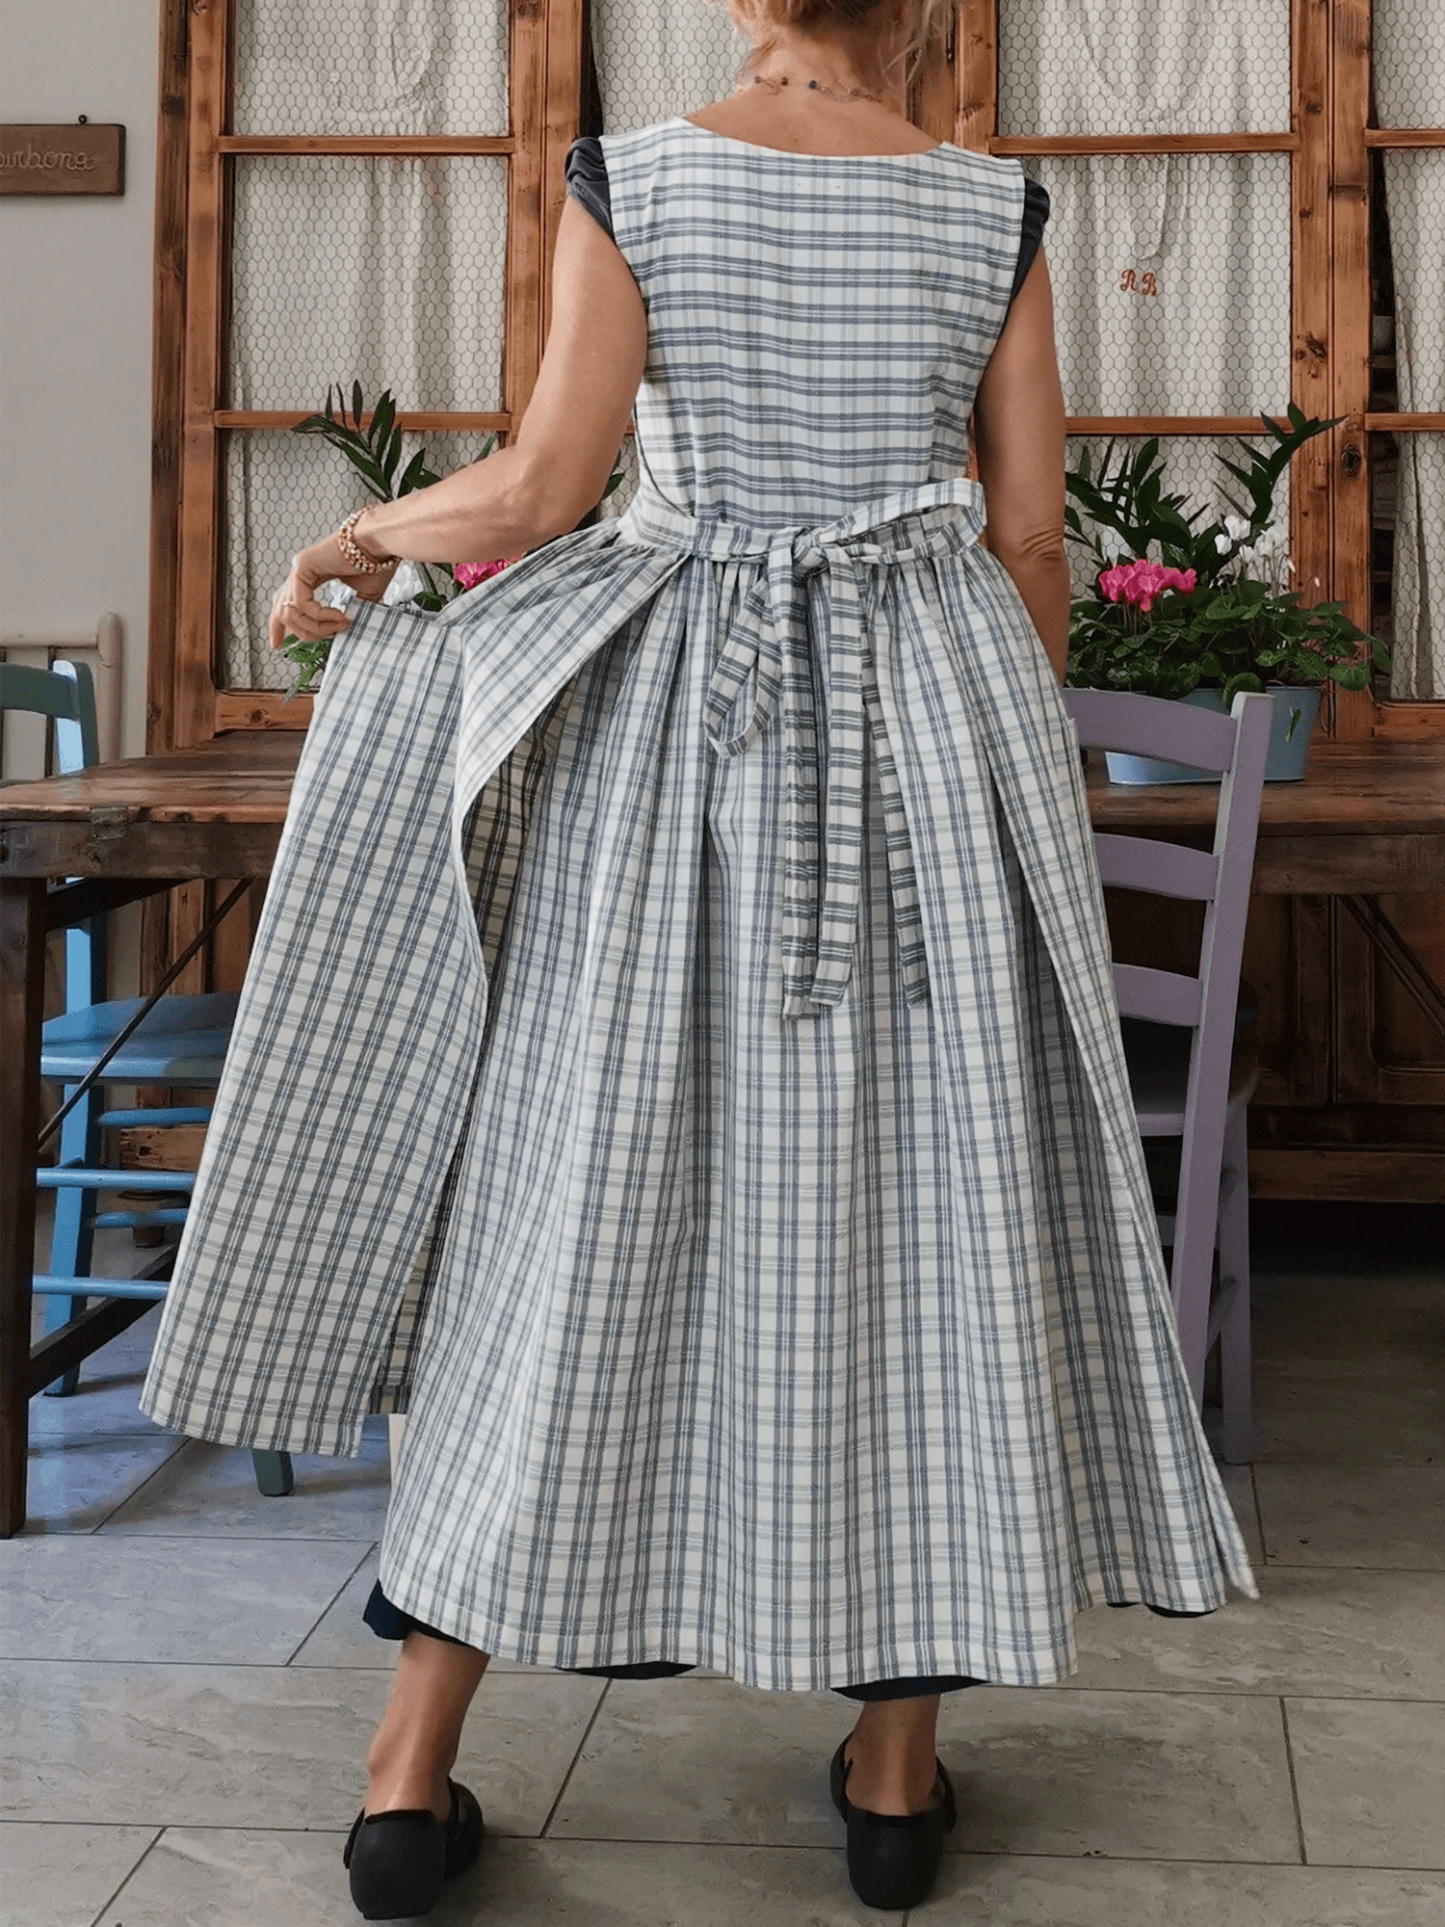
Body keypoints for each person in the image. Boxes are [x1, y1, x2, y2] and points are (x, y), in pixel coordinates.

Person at [139, 0, 1255, 1916]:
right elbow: (1027, 537)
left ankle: (408, 1773)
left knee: (565, 1200)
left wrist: (365, 535)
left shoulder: (639, 181)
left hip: (665, 767)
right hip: (919, 760)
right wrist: (993, 755)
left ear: (746, 1)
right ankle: (892, 1782)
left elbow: (541, 491)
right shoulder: (988, 206)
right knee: (920, 1223)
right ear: (923, 8)